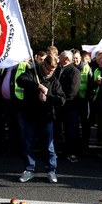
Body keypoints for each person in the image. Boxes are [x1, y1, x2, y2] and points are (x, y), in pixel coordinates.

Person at [17, 55, 65, 183]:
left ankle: (51, 170)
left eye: (53, 70)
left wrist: (48, 96)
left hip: (46, 118)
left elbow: (62, 100)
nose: (50, 72)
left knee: (49, 146)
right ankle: (29, 169)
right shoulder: (32, 73)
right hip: (29, 116)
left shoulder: (54, 81)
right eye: (48, 69)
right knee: (28, 144)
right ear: (44, 65)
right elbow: (20, 81)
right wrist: (36, 86)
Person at [55, 50, 81, 162]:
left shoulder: (74, 72)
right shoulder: (57, 69)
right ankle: (57, 151)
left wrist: (61, 101)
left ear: (66, 59)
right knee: (57, 129)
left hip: (69, 107)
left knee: (70, 131)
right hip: (57, 106)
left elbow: (72, 91)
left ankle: (71, 153)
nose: (57, 57)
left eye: (60, 56)